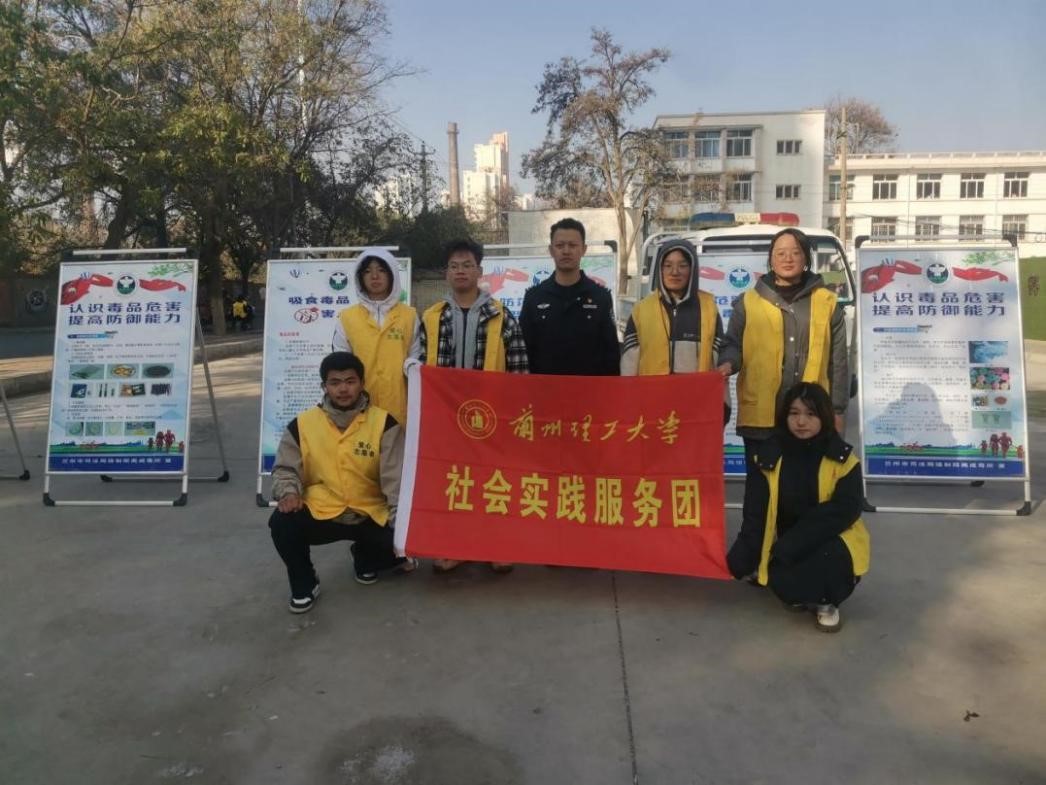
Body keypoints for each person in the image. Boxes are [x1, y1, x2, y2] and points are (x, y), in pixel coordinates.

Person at [268, 352, 416, 613]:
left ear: (362, 383)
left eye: (350, 381)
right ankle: (305, 582)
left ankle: (366, 558)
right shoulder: (301, 425)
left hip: (370, 513)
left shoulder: (385, 423)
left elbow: (397, 481)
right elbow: (285, 469)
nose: (343, 389)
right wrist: (288, 492)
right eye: (335, 382)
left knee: (399, 545)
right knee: (282, 523)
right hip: (322, 511)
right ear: (324, 386)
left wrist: (401, 532)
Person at [413, 237, 528, 575]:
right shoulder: (432, 317)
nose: (460, 271)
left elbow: (519, 371)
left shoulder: (502, 317)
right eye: (454, 266)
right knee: (453, 484)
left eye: (467, 265)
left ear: (480, 271)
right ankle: (454, 548)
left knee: (493, 484)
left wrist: (513, 418)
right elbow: (420, 366)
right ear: (446, 273)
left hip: (491, 421)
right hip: (446, 421)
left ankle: (496, 547)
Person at [726, 382, 870, 633]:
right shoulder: (769, 456)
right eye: (794, 413)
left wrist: (794, 542)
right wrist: (741, 559)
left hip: (827, 538)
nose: (801, 422)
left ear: (824, 417)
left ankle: (827, 602)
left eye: (811, 414)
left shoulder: (843, 459)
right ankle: (794, 588)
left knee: (830, 558)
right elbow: (756, 512)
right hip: (783, 540)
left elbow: (845, 510)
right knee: (786, 582)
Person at [719, 228, 849, 472]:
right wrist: (727, 363)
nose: (788, 259)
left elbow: (838, 361)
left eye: (795, 253)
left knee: (807, 487)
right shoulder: (748, 302)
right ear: (771, 259)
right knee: (761, 487)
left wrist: (837, 410)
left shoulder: (827, 302)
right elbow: (732, 344)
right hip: (761, 417)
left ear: (806, 258)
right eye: (780, 253)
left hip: (809, 417)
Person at [621, 237, 731, 421]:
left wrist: (722, 406)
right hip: (652, 407)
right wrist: (629, 404)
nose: (674, 272)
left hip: (696, 408)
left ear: (692, 269)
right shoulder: (642, 310)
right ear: (660, 269)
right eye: (668, 265)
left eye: (682, 265)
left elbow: (719, 358)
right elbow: (629, 363)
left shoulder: (708, 308)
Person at [519, 218, 619, 376]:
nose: (566, 251)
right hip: (544, 389)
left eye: (573, 245)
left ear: (584, 249)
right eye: (560, 245)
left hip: (589, 389)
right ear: (551, 250)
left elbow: (611, 354)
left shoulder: (601, 297)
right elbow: (523, 352)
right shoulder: (534, 297)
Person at [332, 248, 419, 425]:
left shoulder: (409, 315)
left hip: (400, 407)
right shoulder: (347, 317)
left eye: (381, 270)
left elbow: (417, 357)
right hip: (359, 407)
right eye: (367, 271)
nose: (374, 276)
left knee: (396, 442)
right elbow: (340, 363)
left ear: (392, 275)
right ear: (360, 277)